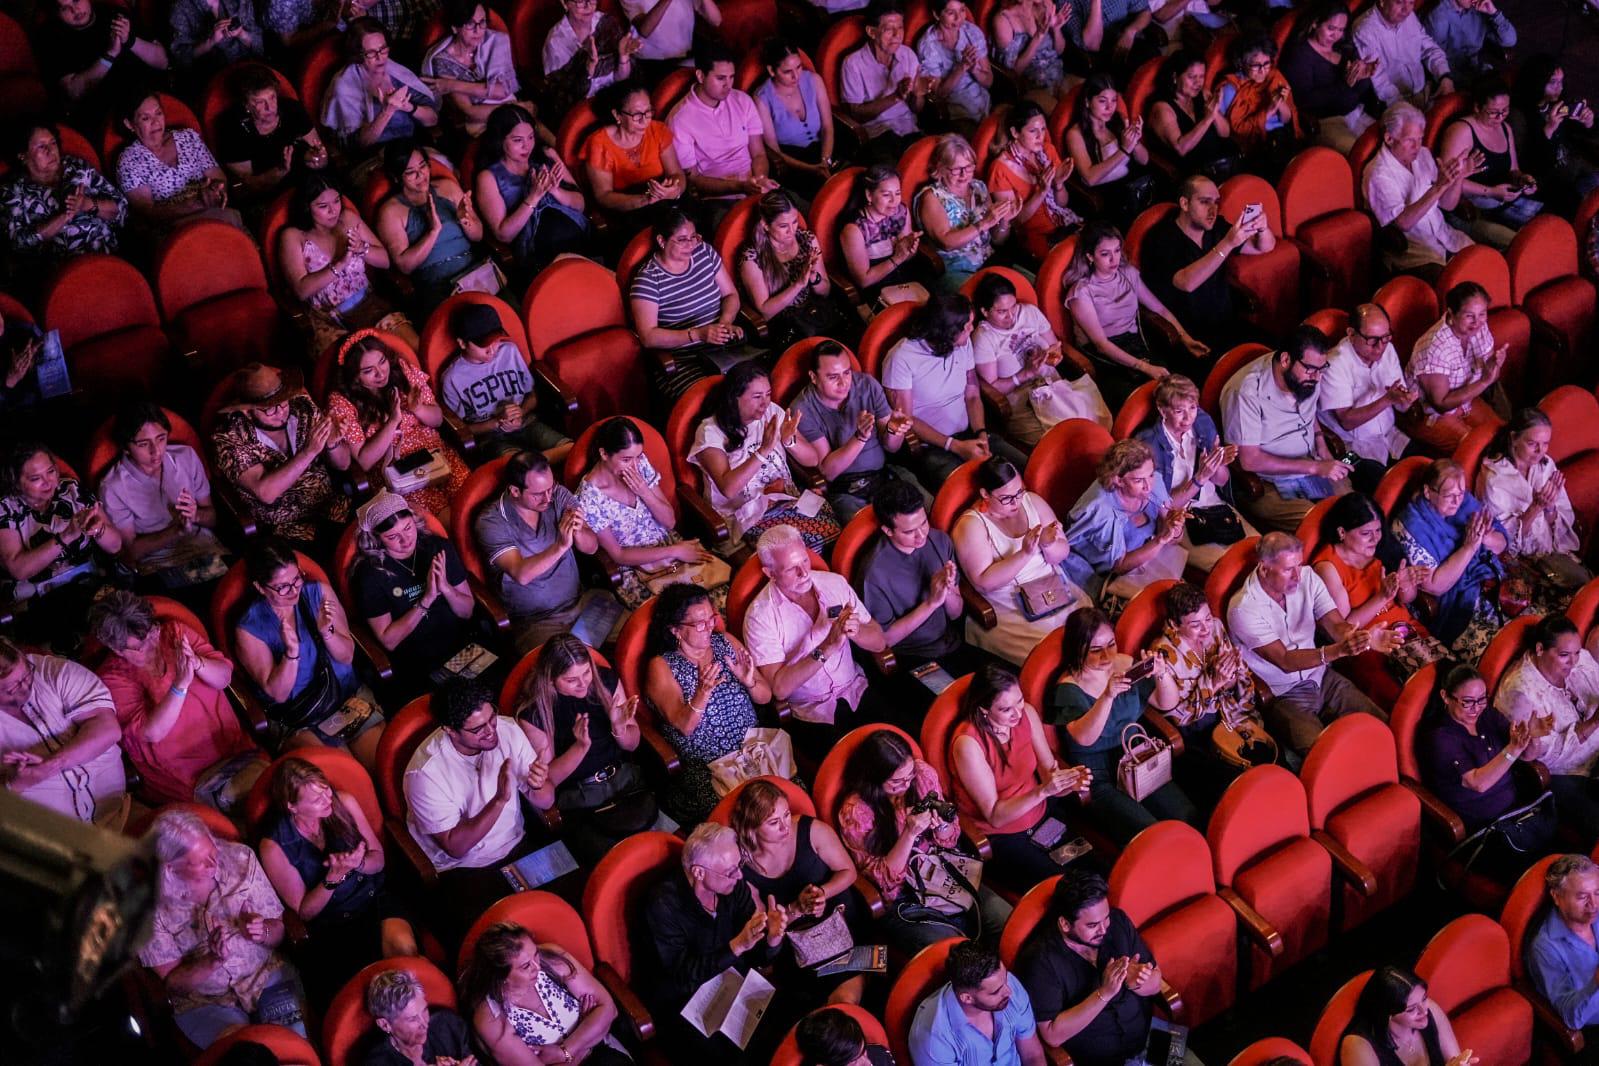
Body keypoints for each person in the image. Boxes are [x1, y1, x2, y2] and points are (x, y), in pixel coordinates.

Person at [138, 810, 307, 1049]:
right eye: (199, 862)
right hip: (205, 1002)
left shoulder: (240, 859)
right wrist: (212, 961)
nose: (213, 863)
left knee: (292, 1047)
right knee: (246, 1056)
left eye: (212, 850)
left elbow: (278, 931)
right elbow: (173, 984)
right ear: (170, 869)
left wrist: (263, 931)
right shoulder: (148, 908)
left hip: (265, 975)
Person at [258, 757, 419, 1003]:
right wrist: (332, 879)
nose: (327, 799)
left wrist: (359, 864)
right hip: (333, 923)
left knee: (404, 956)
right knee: (369, 990)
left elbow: (378, 860)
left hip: (372, 898)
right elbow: (305, 911)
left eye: (326, 790)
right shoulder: (273, 845)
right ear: (292, 806)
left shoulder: (344, 802)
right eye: (316, 799)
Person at [90, 590, 264, 812]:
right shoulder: (114, 678)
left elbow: (224, 678)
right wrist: (179, 686)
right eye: (140, 646)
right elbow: (151, 732)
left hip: (231, 745)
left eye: (152, 632)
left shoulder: (174, 631)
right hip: (189, 773)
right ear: (116, 649)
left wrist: (198, 663)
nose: (153, 644)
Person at [1226, 531, 1393, 760]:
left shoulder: (1308, 577)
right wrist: (1338, 651)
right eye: (1288, 569)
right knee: (1326, 757)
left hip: (1321, 676)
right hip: (1284, 694)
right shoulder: (1243, 608)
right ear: (1264, 569)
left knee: (1381, 726)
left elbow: (1336, 625)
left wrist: (1361, 637)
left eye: (1300, 565)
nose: (1297, 576)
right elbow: (1285, 661)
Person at [403, 679, 552, 931]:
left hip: (518, 844)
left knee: (572, 893)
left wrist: (539, 785)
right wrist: (499, 800)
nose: (491, 730)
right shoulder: (424, 774)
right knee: (501, 939)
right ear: (450, 730)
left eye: (491, 717)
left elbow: (547, 800)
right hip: (466, 869)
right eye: (478, 729)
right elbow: (456, 847)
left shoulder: (507, 729)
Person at [1049, 608, 1200, 844]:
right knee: (1150, 834)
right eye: (1096, 650)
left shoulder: (1125, 664)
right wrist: (1107, 697)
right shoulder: (1069, 688)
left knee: (1185, 816)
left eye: (1111, 644)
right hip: (1099, 773)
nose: (1107, 656)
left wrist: (1161, 674)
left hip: (1136, 757)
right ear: (1078, 650)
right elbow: (1084, 738)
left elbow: (1166, 702)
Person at [234, 537, 386, 766]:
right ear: (259, 587)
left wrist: (327, 633)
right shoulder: (249, 628)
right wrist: (291, 653)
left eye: (296, 579)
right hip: (298, 717)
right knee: (344, 774)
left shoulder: (317, 593)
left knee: (383, 763)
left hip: (344, 695)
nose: (293, 590)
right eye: (282, 587)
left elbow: (347, 656)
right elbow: (279, 693)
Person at [642, 823, 785, 1059]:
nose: (740, 875)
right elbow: (682, 973)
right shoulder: (663, 905)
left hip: (730, 978)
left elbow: (753, 952)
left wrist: (771, 939)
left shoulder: (733, 886)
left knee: (783, 1023)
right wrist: (736, 946)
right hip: (684, 997)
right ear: (699, 872)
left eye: (739, 865)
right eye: (730, 871)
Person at [1014, 870, 1185, 1066]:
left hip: (1149, 1035)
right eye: (1093, 925)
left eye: (1106, 918)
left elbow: (1156, 983)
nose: (1104, 929)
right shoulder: (1040, 961)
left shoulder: (1118, 921)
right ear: (1065, 924)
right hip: (1103, 1059)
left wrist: (1137, 982)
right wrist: (1104, 993)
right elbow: (1052, 1035)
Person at [745, 523, 887, 753]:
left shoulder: (834, 583)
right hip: (812, 712)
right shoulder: (760, 616)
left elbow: (880, 641)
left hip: (856, 690)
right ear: (770, 573)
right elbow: (779, 688)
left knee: (897, 745)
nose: (804, 573)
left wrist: (856, 630)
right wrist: (827, 647)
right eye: (792, 568)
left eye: (804, 560)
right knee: (860, 764)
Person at [837, 729, 981, 952]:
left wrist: (940, 825)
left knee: (997, 918)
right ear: (874, 778)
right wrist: (909, 834)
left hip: (942, 870)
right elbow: (883, 883)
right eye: (896, 782)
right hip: (904, 896)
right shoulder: (857, 812)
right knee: (953, 949)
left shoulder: (922, 774)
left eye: (909, 776)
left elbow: (949, 841)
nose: (905, 785)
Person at [952, 663, 1093, 885]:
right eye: (1006, 709)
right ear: (984, 709)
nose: (1017, 713)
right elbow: (995, 816)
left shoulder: (1026, 713)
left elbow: (1049, 770)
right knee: (1065, 887)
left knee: (1094, 868)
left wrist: (1068, 782)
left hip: (1041, 815)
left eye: (1019, 701)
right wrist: (1044, 791)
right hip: (1003, 835)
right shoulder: (968, 744)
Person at [513, 634, 648, 864]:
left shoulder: (605, 681)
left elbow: (633, 744)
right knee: (617, 863)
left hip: (625, 781)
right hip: (582, 799)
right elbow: (548, 782)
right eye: (571, 679)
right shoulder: (535, 713)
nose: (583, 683)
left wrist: (619, 727)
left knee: (653, 850)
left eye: (586, 672)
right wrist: (580, 747)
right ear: (550, 680)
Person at [731, 778, 866, 1004]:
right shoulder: (743, 868)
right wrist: (796, 909)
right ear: (751, 827)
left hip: (842, 924)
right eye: (773, 822)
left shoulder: (810, 830)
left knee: (843, 1000)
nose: (785, 827)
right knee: (815, 1005)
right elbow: (765, 931)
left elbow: (848, 871)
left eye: (786, 815)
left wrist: (823, 892)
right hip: (796, 945)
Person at [1417, 663, 1555, 881]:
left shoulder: (1487, 715)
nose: (1476, 708)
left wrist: (1534, 735)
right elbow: (1477, 783)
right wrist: (1512, 749)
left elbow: (1528, 755)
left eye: (1482, 699)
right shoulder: (1441, 737)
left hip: (1517, 814)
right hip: (1485, 829)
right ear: (1445, 697)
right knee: (1539, 875)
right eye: (1467, 702)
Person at [644, 583, 769, 821]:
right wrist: (702, 692)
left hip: (753, 751)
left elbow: (766, 696)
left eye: (711, 618)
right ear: (675, 630)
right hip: (707, 767)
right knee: (748, 818)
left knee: (786, 799)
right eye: (699, 624)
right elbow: (684, 726)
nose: (709, 627)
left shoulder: (726, 642)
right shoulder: (661, 666)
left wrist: (750, 682)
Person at [577, 416, 726, 610]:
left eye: (638, 456)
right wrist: (675, 551)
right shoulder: (589, 497)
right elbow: (619, 554)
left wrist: (644, 492)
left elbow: (670, 520)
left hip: (668, 542)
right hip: (637, 567)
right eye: (626, 459)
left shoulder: (641, 465)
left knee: (719, 601)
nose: (635, 465)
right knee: (680, 615)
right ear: (604, 454)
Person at [953, 457, 1089, 666]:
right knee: (1055, 656)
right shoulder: (971, 524)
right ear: (985, 494)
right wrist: (1025, 553)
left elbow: (1061, 553)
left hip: (1052, 586)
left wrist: (1048, 544)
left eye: (1019, 492)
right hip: (1009, 603)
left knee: (1089, 636)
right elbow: (983, 582)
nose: (1016, 502)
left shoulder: (1032, 501)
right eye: (1007, 498)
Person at [689, 362, 842, 547]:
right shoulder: (710, 432)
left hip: (785, 499)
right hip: (744, 515)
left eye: (768, 394)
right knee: (798, 547)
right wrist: (763, 451)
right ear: (734, 398)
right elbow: (728, 489)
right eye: (757, 396)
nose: (765, 402)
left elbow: (812, 459)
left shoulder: (772, 412)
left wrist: (789, 441)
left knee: (835, 529)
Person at [475, 451, 612, 653]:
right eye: (538, 493)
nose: (548, 498)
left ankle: (588, 649)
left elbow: (591, 548)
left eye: (550, 487)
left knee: (638, 633)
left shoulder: (556, 495)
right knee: (572, 666)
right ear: (515, 491)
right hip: (536, 622)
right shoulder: (491, 521)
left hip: (581, 603)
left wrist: (579, 531)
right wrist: (561, 546)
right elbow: (521, 573)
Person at [884, 291, 1025, 487]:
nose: (972, 329)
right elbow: (907, 420)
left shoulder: (962, 343)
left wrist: (981, 434)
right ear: (946, 333)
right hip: (934, 447)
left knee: (1024, 469)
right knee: (969, 490)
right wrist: (955, 446)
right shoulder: (901, 358)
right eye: (967, 327)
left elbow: (972, 394)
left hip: (971, 433)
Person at [1148, 581, 1270, 805]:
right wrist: (1211, 684)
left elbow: (1237, 676)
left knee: (1269, 761)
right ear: (1174, 624)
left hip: (1229, 710)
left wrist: (1229, 678)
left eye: (1207, 618)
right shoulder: (1163, 654)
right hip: (1195, 727)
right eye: (1195, 625)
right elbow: (1178, 716)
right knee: (1235, 786)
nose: (1206, 629)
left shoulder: (1215, 627)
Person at [1221, 325, 1353, 532]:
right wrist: (1314, 468)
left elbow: (1308, 414)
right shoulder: (1246, 392)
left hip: (1312, 463)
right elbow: (1249, 460)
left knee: (1355, 512)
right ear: (1285, 360)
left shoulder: (1309, 375)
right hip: (1266, 482)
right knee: (1320, 527)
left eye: (1322, 369)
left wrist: (1321, 443)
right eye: (1311, 369)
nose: (1317, 378)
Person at [1066, 219, 1209, 410]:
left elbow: (1160, 309)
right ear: (1090, 256)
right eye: (1105, 254)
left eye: (1117, 250)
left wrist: (1186, 338)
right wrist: (1144, 367)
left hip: (1136, 344)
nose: (1114, 259)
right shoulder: (1081, 292)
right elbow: (1101, 344)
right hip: (1105, 357)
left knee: (1181, 385)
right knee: (1143, 399)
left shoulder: (1128, 273)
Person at [326, 331, 468, 519]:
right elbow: (364, 461)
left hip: (435, 454)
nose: (381, 373)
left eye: (382, 361)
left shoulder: (401, 369)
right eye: (368, 371)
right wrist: (393, 421)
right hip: (397, 472)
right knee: (445, 517)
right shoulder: (342, 401)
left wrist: (418, 409)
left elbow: (438, 420)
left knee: (470, 503)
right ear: (354, 376)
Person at [210, 363, 353, 546]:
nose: (281, 413)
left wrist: (333, 444)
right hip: (283, 528)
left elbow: (343, 464)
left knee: (373, 536)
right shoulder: (229, 438)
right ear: (247, 410)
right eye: (269, 409)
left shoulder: (302, 406)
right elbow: (266, 493)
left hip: (330, 505)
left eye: (282, 402)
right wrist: (308, 452)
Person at [1391, 459, 1517, 659]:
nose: (1457, 501)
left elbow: (1502, 542)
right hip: (1456, 601)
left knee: (1529, 626)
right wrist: (1469, 547)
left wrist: (1485, 537)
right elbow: (1435, 585)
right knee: (1501, 652)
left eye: (1460, 493)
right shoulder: (1410, 525)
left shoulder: (1465, 503)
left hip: (1492, 581)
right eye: (1449, 495)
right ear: (1427, 492)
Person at [1312, 493, 1441, 687]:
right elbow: (1343, 628)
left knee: (1446, 676)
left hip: (1405, 628)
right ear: (1342, 532)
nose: (1375, 539)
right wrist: (1381, 597)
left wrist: (1405, 585)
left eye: (1378, 530)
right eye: (1366, 533)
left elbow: (1406, 599)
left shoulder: (1381, 548)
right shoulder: (1328, 567)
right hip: (1368, 644)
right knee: (1419, 692)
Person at [348, 491, 473, 690]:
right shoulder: (369, 575)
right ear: (376, 538)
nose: (406, 541)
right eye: (392, 536)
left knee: (488, 689)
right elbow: (389, 641)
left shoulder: (437, 547)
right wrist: (427, 598)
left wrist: (446, 589)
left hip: (459, 645)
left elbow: (467, 611)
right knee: (456, 701)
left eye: (408, 528)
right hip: (418, 662)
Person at [277, 173, 411, 355]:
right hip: (329, 319)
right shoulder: (294, 236)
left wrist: (362, 248)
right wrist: (339, 265)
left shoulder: (348, 218)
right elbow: (301, 290)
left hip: (369, 305)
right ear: (307, 208)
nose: (333, 210)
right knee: (364, 367)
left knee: (408, 352)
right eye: (323, 206)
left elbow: (385, 261)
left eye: (337, 201)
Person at [628, 207, 752, 400]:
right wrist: (697, 335)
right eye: (682, 240)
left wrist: (725, 322)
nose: (691, 245)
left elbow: (730, 294)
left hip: (720, 345)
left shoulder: (705, 252)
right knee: (716, 399)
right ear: (661, 241)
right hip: (682, 358)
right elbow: (648, 336)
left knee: (753, 386)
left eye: (694, 237)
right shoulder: (648, 279)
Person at [1494, 614, 1599, 841]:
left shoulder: (1574, 659)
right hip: (1565, 773)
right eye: (1564, 656)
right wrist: (1592, 724)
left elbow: (1593, 674)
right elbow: (1541, 757)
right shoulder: (1521, 692)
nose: (1573, 662)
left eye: (1576, 653)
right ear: (1540, 649)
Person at [971, 272, 1107, 447]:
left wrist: (1052, 357)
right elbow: (993, 388)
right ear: (984, 311)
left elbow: (1054, 346)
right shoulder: (984, 337)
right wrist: (1025, 373)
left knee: (1092, 426)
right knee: (1064, 443)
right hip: (1023, 401)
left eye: (1013, 306)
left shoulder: (1029, 313)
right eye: (1002, 311)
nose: (1011, 316)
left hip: (1054, 386)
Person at [461, 922, 629, 1064]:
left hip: (606, 1051)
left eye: (536, 954)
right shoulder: (491, 1020)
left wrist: (564, 1052)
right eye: (526, 966)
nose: (538, 967)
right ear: (500, 977)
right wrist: (587, 1030)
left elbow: (609, 1009)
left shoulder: (552, 957)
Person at [858, 477, 978, 675]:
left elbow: (956, 613)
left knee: (1000, 689)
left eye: (924, 523)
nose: (922, 535)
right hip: (914, 658)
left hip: (952, 642)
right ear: (888, 530)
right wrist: (931, 603)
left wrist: (946, 592)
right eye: (909, 532)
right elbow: (886, 640)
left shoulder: (939, 540)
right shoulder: (874, 574)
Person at [98, 402, 227, 587]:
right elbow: (130, 551)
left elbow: (213, 518)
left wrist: (195, 514)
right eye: (143, 444)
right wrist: (177, 531)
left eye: (161, 438)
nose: (156, 451)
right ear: (125, 447)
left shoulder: (186, 457)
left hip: (203, 547)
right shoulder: (112, 486)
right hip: (159, 562)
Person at [1141, 175, 1273, 354]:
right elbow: (1186, 283)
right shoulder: (1162, 237)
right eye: (1205, 202)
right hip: (1190, 337)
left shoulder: (1217, 226)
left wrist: (1263, 228)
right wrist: (1227, 244)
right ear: (1185, 204)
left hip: (1227, 324)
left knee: (1273, 351)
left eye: (1216, 202)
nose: (1213, 210)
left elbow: (1263, 247)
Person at [0, 637, 125, 824]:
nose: (26, 687)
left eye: (25, 676)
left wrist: (50, 765)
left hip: (118, 811)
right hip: (54, 839)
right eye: (12, 688)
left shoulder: (52, 670)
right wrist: (15, 784)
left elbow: (108, 728)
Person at [790, 339, 917, 522]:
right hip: (845, 489)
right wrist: (860, 437)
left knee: (922, 511)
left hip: (883, 474)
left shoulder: (867, 385)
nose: (843, 383)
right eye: (833, 377)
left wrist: (893, 430)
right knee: (867, 532)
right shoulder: (803, 409)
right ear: (814, 377)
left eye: (847, 373)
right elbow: (828, 471)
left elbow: (892, 448)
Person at [1135, 374, 1251, 573]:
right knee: (1231, 570)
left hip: (1217, 506)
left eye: (1193, 408)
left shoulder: (1202, 422)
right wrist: (1200, 478)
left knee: (1260, 552)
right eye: (1179, 411)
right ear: (1162, 411)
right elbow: (1163, 506)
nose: (1188, 418)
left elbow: (1221, 481)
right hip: (1181, 518)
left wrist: (1219, 464)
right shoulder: (1148, 446)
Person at [0, 442, 123, 619]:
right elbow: (19, 569)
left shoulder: (71, 489)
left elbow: (116, 546)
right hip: (37, 599)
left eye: (50, 472)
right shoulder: (5, 508)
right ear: (16, 482)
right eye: (36, 478)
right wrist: (65, 537)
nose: (48, 482)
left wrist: (98, 529)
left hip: (87, 586)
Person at [438, 302, 572, 463]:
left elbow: (532, 395)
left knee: (571, 449)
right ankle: (535, 465)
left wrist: (520, 412)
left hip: (527, 423)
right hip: (491, 438)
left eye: (495, 341)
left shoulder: (509, 351)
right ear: (462, 343)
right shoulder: (453, 378)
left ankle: (537, 464)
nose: (492, 349)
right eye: (483, 345)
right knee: (519, 466)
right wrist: (497, 423)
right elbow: (461, 430)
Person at [1064, 439, 1188, 606]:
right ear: (1118, 480)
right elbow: (1120, 566)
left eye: (1150, 475)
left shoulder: (1154, 481)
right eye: (1138, 480)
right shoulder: (1101, 510)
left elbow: (1175, 537)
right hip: (1105, 575)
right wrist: (1161, 540)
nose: (1148, 486)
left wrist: (1175, 528)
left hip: (1149, 559)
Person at [1364, 102, 1477, 280]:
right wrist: (1438, 187)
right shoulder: (1378, 174)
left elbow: (1447, 205)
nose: (1417, 147)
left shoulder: (1423, 154)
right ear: (1389, 138)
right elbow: (1403, 223)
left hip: (1445, 236)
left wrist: (1458, 178)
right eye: (1410, 140)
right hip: (1415, 253)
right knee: (1456, 284)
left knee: (1483, 265)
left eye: (1420, 139)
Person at [475, 103, 590, 276]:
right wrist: (533, 197)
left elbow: (581, 205)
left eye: (530, 137)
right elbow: (503, 234)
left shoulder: (547, 154)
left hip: (576, 235)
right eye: (517, 140)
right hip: (537, 251)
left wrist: (555, 191)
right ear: (500, 140)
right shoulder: (488, 177)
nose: (527, 146)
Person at [374, 141, 487, 314]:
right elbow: (404, 265)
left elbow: (478, 235)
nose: (421, 175)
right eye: (411, 173)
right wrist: (433, 231)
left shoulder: (447, 187)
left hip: (473, 272)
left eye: (423, 166)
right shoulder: (390, 212)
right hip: (437, 285)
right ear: (396, 177)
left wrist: (466, 220)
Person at [1478, 409, 1587, 587]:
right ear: (1514, 438)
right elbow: (1502, 542)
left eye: (1545, 444)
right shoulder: (1494, 478)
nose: (1540, 451)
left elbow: (1559, 522)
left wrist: (1550, 508)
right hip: (1521, 563)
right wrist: (1535, 508)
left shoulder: (1546, 465)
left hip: (1554, 552)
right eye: (1532, 444)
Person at [668, 43, 779, 216]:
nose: (728, 85)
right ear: (700, 75)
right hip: (719, 199)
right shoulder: (680, 120)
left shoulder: (742, 100)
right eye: (721, 78)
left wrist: (760, 180)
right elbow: (694, 179)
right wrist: (740, 186)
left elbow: (758, 153)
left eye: (731, 77)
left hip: (755, 186)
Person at [735, 190, 855, 350]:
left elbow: (825, 291)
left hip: (815, 312)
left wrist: (814, 279)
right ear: (765, 225)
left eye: (795, 221)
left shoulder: (807, 239)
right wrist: (798, 284)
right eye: (784, 226)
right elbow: (765, 312)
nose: (792, 230)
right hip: (784, 325)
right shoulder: (752, 256)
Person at [2, 120, 126, 268]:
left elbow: (121, 207)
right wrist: (63, 216)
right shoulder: (13, 191)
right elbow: (18, 244)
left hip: (107, 254)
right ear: (23, 155)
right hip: (63, 269)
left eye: (53, 143)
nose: (51, 151)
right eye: (42, 146)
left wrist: (88, 204)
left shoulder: (76, 167)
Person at [1436, 79, 1542, 248]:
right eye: (1493, 112)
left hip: (1500, 201)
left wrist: (1522, 179)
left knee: (1542, 229)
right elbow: (1446, 182)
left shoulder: (1505, 128)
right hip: (1471, 209)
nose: (1500, 117)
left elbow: (1513, 169)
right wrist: (1490, 192)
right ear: (1478, 107)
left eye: (1505, 110)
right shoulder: (1461, 131)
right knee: (1521, 244)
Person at [1406, 283, 1508, 456]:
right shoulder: (1436, 347)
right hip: (1430, 415)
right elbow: (1441, 404)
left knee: (1504, 437)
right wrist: (1484, 381)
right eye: (1469, 316)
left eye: (1482, 314)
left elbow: (1491, 374)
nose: (1477, 322)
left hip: (1467, 399)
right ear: (1452, 313)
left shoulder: (1480, 326)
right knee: (1480, 452)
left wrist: (1494, 367)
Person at [1319, 304, 1417, 484]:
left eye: (1386, 337)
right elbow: (1347, 422)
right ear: (1351, 333)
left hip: (1388, 434)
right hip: (1346, 448)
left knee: (1420, 468)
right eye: (1372, 340)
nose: (1380, 347)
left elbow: (1400, 402)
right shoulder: (1334, 364)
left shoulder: (1388, 349)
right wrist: (1387, 399)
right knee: (1379, 481)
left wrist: (1405, 400)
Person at [908, 939, 1045, 1066]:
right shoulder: (934, 1038)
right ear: (967, 998)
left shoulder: (1005, 985)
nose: (1009, 991)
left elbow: (1032, 1054)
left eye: (1005, 980)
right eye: (995, 992)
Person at [116, 92, 239, 233]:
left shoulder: (188, 137)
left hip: (211, 211)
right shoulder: (129, 161)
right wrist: (194, 204)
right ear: (129, 124)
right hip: (171, 228)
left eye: (158, 113)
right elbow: (148, 212)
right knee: (227, 219)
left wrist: (215, 190)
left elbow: (219, 177)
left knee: (227, 219)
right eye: (145, 118)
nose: (156, 122)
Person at [35, 0, 168, 122]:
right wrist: (109, 56)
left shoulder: (115, 14)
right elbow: (73, 92)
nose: (75, 10)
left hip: (147, 99)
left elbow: (162, 62)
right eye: (65, 8)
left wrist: (130, 41)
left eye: (76, 0)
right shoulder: (50, 36)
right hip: (104, 114)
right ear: (56, 13)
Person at [916, 134, 1016, 291]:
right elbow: (947, 243)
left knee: (1028, 283)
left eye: (969, 167)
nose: (964, 174)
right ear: (940, 168)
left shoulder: (979, 188)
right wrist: (983, 224)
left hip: (990, 262)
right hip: (957, 270)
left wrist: (1004, 221)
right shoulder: (931, 196)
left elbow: (997, 240)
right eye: (956, 170)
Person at [321, 19, 439, 151]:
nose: (380, 58)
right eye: (371, 53)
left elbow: (432, 120)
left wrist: (409, 107)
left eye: (383, 49)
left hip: (411, 145)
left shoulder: (396, 71)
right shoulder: (344, 87)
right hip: (377, 154)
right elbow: (357, 146)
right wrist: (387, 111)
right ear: (357, 54)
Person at [216, 67, 329, 203]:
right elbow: (250, 186)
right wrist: (280, 171)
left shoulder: (292, 109)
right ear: (246, 104)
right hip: (269, 197)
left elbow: (318, 152)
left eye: (272, 97)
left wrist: (318, 160)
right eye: (259, 102)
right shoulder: (231, 128)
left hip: (308, 180)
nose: (270, 107)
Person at [1280, 2, 1382, 152]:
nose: (1336, 35)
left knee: (1387, 143)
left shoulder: (1343, 45)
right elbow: (1303, 101)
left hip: (1356, 112)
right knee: (1361, 153)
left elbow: (1358, 92)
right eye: (1331, 28)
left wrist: (1363, 76)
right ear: (1315, 23)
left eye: (1341, 29)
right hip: (1327, 122)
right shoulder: (1300, 55)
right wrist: (1344, 85)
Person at [986, 101, 1081, 263]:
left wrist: (1058, 185)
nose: (1040, 136)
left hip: (1063, 222)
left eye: (1043, 129)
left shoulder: (1048, 150)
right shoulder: (999, 168)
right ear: (1015, 133)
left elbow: (1063, 204)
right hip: (1034, 236)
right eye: (1033, 131)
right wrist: (1041, 192)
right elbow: (1016, 221)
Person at [1508, 57, 1599, 216]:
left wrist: (1589, 123)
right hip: (1551, 182)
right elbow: (1526, 163)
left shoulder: (1557, 103)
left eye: (1561, 81)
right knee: (1584, 207)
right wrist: (1548, 130)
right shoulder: (1518, 115)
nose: (1559, 87)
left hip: (1574, 167)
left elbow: (1580, 134)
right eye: (1553, 82)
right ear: (1537, 82)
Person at [583, 80, 686, 219]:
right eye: (637, 115)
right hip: (628, 210)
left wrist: (674, 190)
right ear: (617, 115)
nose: (645, 121)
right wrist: (645, 199)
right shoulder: (599, 143)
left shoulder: (658, 130)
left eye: (648, 112)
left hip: (665, 204)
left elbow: (677, 174)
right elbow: (603, 196)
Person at [840, 0, 929, 159]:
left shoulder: (907, 54)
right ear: (871, 32)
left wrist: (918, 94)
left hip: (909, 129)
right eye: (889, 29)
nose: (897, 35)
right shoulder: (853, 63)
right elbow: (856, 115)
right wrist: (896, 97)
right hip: (878, 135)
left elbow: (917, 109)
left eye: (900, 27)